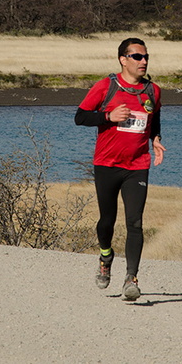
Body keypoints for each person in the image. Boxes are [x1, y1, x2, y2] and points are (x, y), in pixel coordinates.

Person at [74, 37, 166, 301]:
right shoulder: (106, 86)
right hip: (106, 164)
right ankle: (105, 255)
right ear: (123, 59)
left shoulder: (153, 91)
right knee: (107, 222)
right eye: (137, 57)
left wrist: (156, 139)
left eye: (146, 57)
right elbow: (80, 117)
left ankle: (131, 278)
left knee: (135, 222)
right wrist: (107, 117)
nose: (144, 61)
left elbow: (155, 116)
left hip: (137, 165)